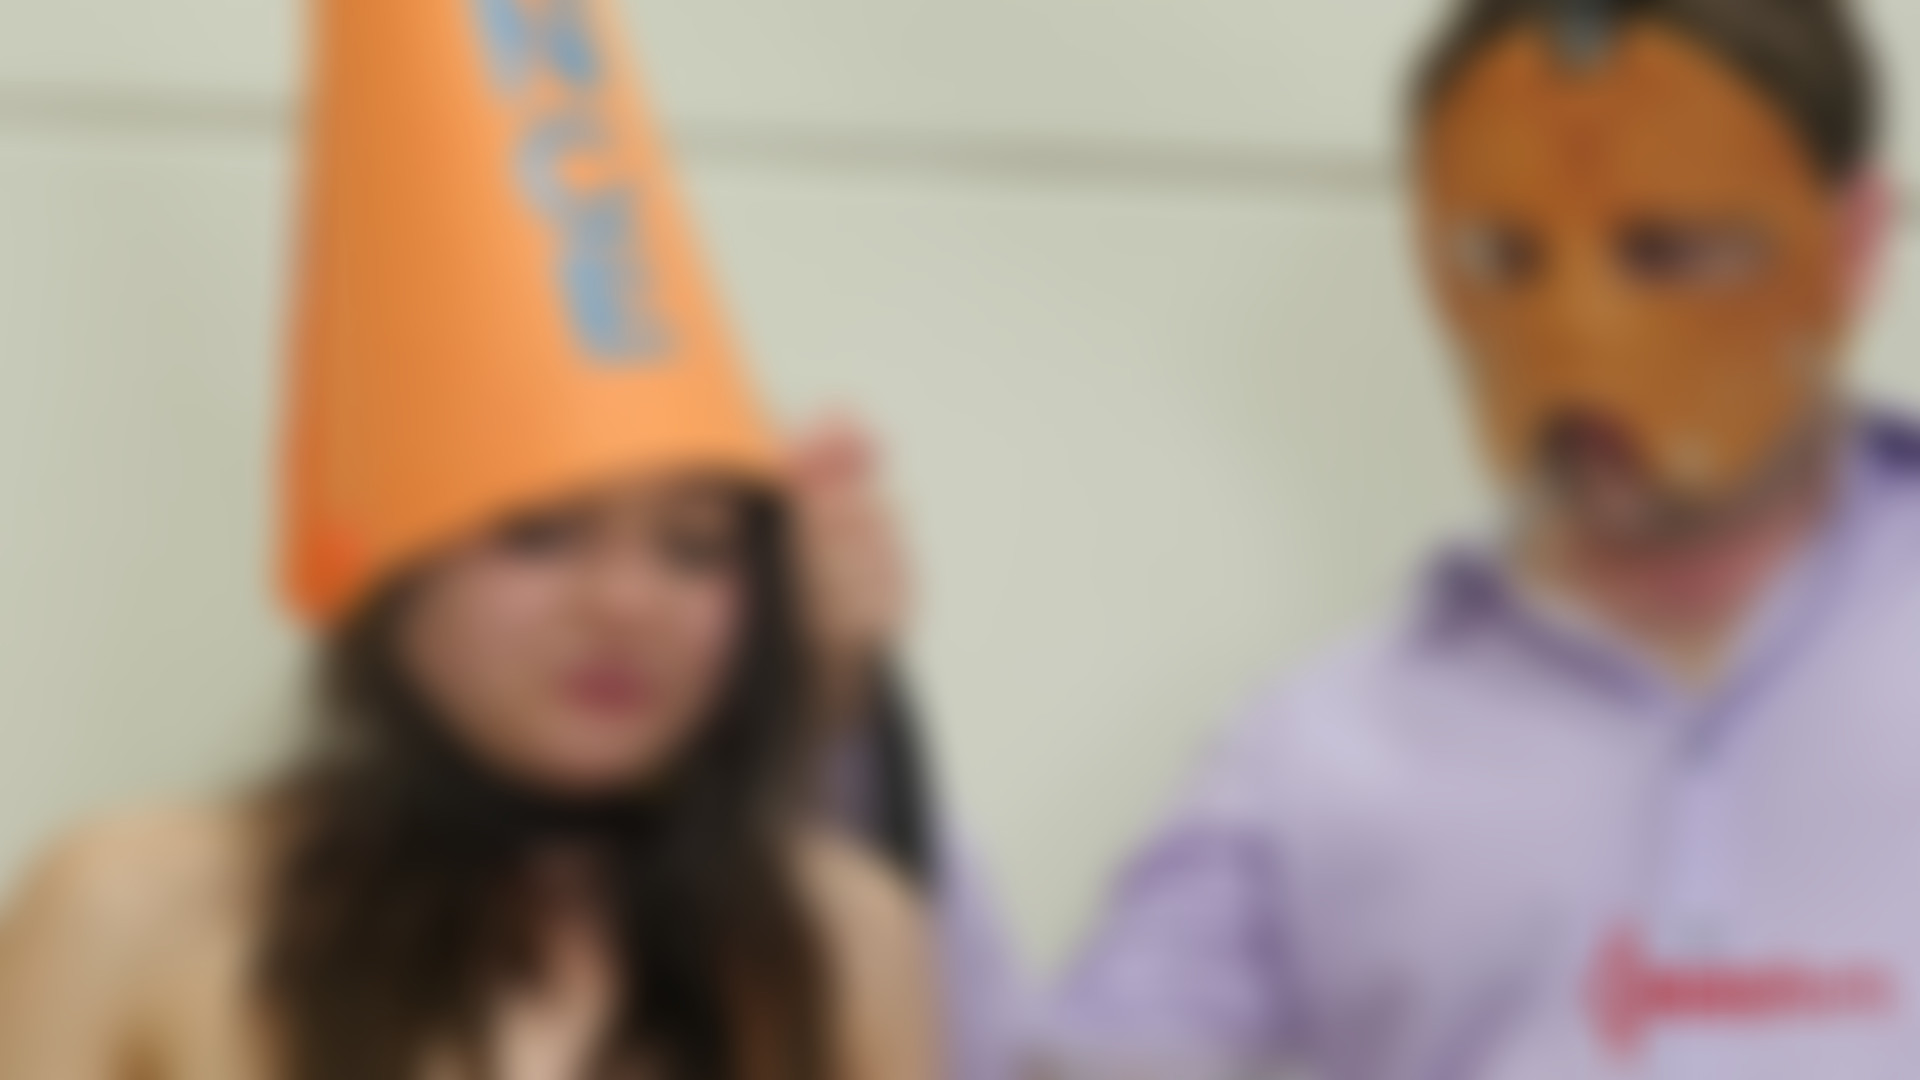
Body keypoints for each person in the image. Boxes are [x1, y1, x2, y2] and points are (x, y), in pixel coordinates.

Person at [0, 2, 942, 1078]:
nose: (626, 604)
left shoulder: (846, 938)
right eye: (537, 535)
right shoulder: (128, 908)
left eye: (692, 548)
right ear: (396, 565)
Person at [1047, 0, 1920, 1076]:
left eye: (1669, 250)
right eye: (1505, 256)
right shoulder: (1312, 761)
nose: (1580, 331)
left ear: (1852, 244)